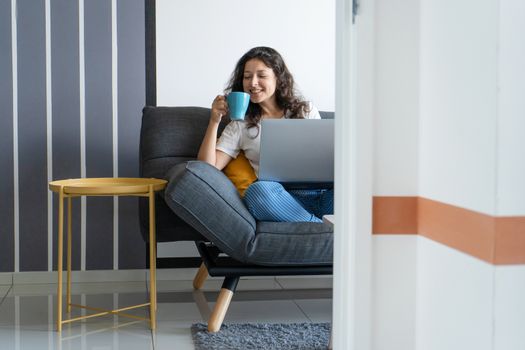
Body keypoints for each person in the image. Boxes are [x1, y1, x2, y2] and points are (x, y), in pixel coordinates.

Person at [197, 46, 333, 222]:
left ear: (278, 78)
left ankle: (311, 224)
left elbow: (323, 156)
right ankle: (319, 227)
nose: (253, 83)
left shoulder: (306, 110)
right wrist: (214, 120)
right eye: (247, 76)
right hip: (277, 199)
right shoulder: (240, 124)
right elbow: (206, 168)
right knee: (257, 192)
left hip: (322, 195)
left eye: (261, 76)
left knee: (355, 190)